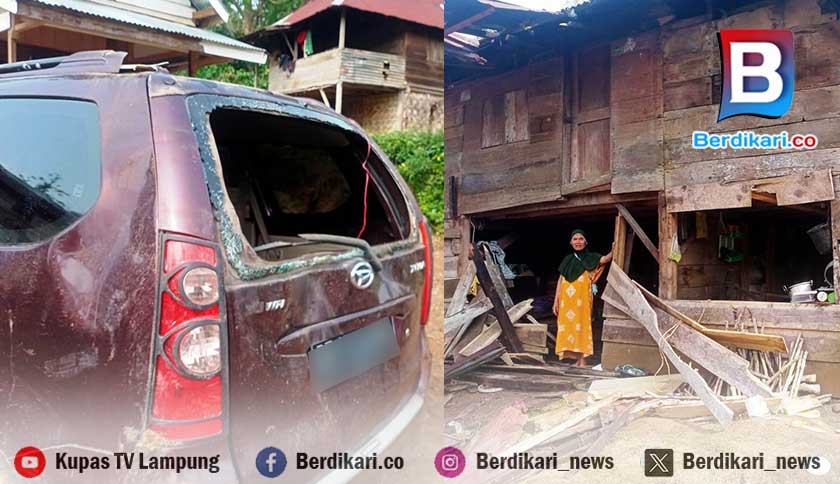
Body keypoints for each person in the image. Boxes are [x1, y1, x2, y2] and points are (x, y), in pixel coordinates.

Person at [552, 229, 613, 367]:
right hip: (566, 302)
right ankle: (577, 359)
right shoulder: (567, 259)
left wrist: (614, 249)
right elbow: (561, 280)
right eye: (575, 239)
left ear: (585, 241)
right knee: (568, 328)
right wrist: (556, 300)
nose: (577, 241)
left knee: (582, 326)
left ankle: (583, 360)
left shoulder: (591, 257)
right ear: (571, 242)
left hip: (582, 299)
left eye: (580, 239)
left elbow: (605, 259)